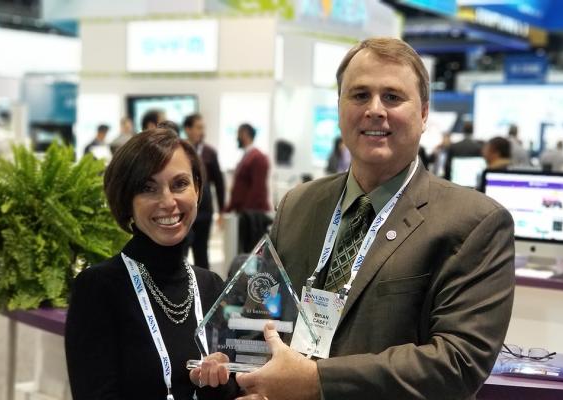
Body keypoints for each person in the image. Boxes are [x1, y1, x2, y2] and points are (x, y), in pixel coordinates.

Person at [196, 37, 515, 400]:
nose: (375, 109)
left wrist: (318, 381)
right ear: (340, 107)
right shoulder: (298, 205)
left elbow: (458, 363)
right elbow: (262, 317)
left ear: (424, 113)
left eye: (393, 97)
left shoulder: (474, 223)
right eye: (360, 95)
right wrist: (234, 362)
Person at [65, 128, 237, 400]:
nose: (168, 202)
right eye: (148, 188)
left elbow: (233, 390)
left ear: (197, 189)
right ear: (126, 202)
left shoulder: (212, 286)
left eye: (180, 184)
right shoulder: (99, 289)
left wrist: (217, 382)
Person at [183, 113, 225, 269]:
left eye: (203, 127)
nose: (202, 131)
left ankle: (204, 289)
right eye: (198, 127)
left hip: (204, 211)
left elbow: (219, 183)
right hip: (184, 209)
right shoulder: (180, 151)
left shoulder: (209, 152)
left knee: (202, 253)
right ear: (187, 129)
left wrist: (222, 210)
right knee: (182, 252)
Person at [225, 123, 270, 213]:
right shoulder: (247, 156)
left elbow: (258, 190)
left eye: (238, 134)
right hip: (243, 212)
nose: (236, 138)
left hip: (251, 215)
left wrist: (245, 213)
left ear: (245, 134)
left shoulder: (257, 157)